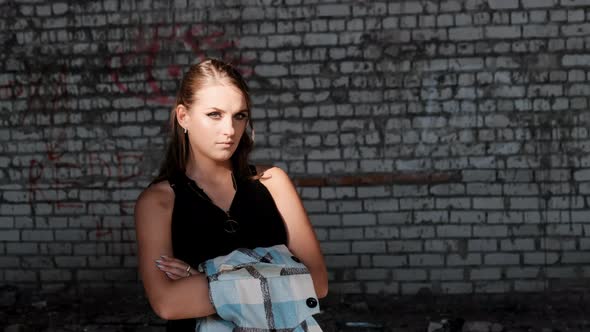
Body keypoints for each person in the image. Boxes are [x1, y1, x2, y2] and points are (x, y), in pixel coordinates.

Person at [133, 58, 329, 331]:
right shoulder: (158, 202)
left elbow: (317, 284)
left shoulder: (273, 183)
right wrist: (279, 278)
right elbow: (168, 303)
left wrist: (204, 275)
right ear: (183, 116)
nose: (230, 130)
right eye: (215, 114)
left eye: (240, 116)